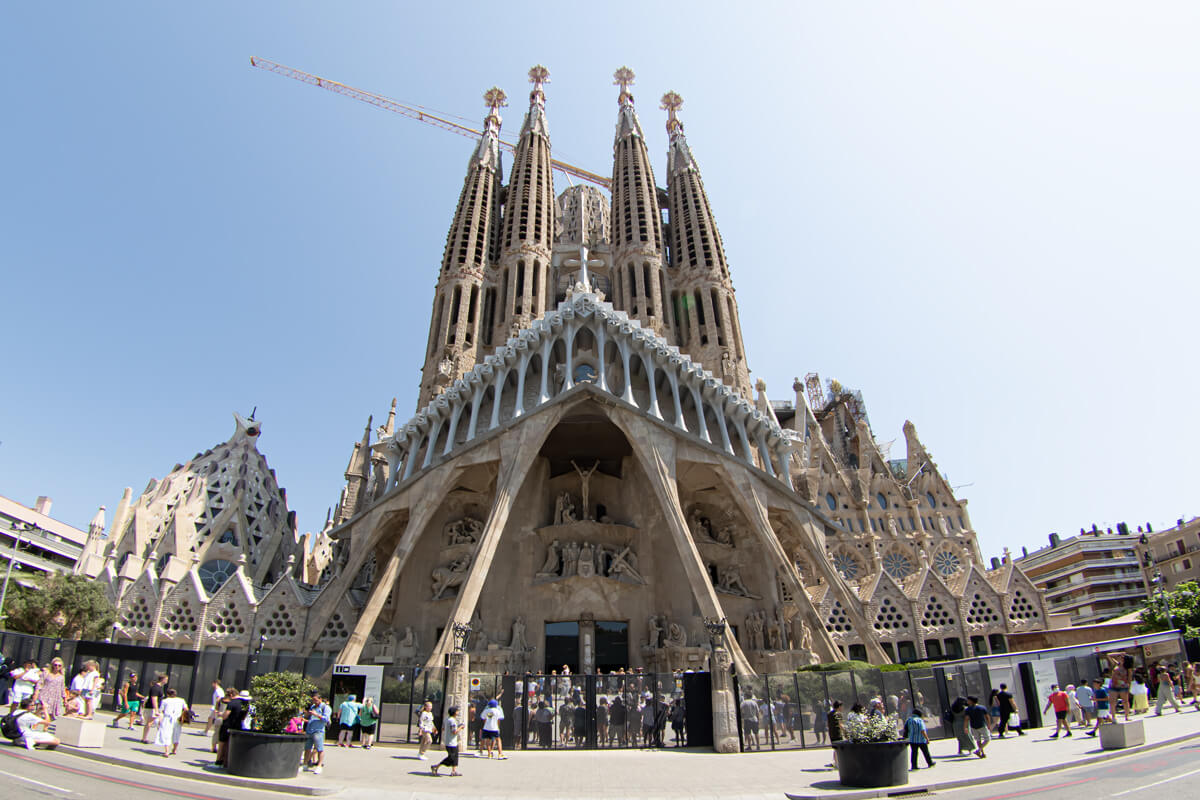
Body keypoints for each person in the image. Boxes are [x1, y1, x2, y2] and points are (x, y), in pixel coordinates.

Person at [215, 689, 250, 767]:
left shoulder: (232, 703)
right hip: (237, 725)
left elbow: (225, 716)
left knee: (222, 743)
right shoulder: (246, 705)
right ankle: (228, 761)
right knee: (231, 744)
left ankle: (219, 760)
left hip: (227, 724)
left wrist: (220, 714)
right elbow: (243, 718)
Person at [155, 688, 189, 757]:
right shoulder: (181, 700)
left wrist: (159, 719)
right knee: (176, 733)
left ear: (168, 694)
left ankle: (167, 751)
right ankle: (174, 749)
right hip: (177, 719)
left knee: (166, 733)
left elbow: (161, 710)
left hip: (168, 718)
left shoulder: (165, 701)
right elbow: (186, 709)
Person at [303, 692, 331, 774]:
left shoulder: (325, 707)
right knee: (307, 748)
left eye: (316, 700)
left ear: (320, 699)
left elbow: (326, 719)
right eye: (313, 700)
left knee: (319, 748)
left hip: (318, 730)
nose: (314, 702)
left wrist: (316, 714)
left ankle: (319, 766)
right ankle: (305, 764)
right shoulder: (312, 706)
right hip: (310, 730)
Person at [431, 706, 461, 776]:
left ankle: (454, 771)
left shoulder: (446, 719)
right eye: (457, 711)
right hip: (451, 742)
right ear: (454, 712)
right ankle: (436, 766)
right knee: (451, 758)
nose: (458, 712)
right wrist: (460, 727)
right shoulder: (452, 720)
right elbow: (454, 732)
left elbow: (443, 728)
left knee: (455, 757)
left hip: (449, 741)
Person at [141, 673, 169, 744]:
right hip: (152, 708)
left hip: (158, 709)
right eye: (166, 679)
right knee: (149, 723)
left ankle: (160, 739)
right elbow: (154, 699)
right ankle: (144, 738)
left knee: (160, 723)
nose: (166, 681)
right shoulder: (155, 688)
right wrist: (156, 710)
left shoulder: (159, 688)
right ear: (162, 679)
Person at [826, 701, 845, 768]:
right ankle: (838, 763)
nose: (842, 708)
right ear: (839, 706)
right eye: (841, 706)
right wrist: (845, 732)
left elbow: (828, 724)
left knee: (835, 748)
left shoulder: (829, 714)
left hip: (831, 733)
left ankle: (836, 762)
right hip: (837, 733)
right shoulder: (839, 714)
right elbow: (840, 724)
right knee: (838, 748)